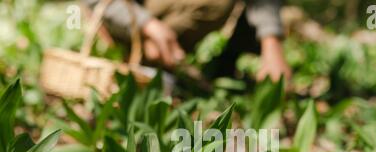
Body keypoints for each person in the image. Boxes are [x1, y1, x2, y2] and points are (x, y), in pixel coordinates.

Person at [83, 0, 291, 82]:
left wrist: (271, 40)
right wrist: (147, 25)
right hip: (118, 19)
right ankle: (142, 56)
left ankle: (166, 59)